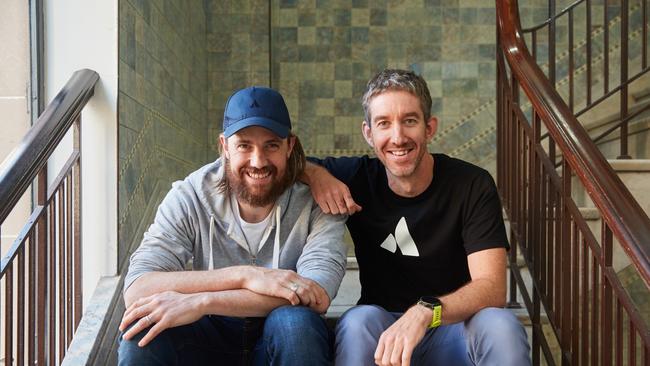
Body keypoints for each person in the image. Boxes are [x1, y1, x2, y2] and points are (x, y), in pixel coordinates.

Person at [302, 69, 531, 365]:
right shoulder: (357, 178)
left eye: (409, 121)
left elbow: (492, 287)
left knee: (500, 325)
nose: (398, 137)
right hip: (384, 335)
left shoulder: (471, 184)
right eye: (384, 124)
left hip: (452, 327)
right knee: (358, 320)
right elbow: (286, 161)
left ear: (429, 128)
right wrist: (317, 174)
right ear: (368, 133)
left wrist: (425, 311)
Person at [118, 86, 347, 365]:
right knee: (143, 328)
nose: (258, 161)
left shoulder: (319, 201)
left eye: (271, 145)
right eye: (244, 145)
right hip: (207, 338)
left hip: (276, 335)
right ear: (224, 146)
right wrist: (244, 275)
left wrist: (203, 301)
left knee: (295, 324)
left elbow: (318, 294)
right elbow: (138, 288)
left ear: (290, 145)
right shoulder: (191, 195)